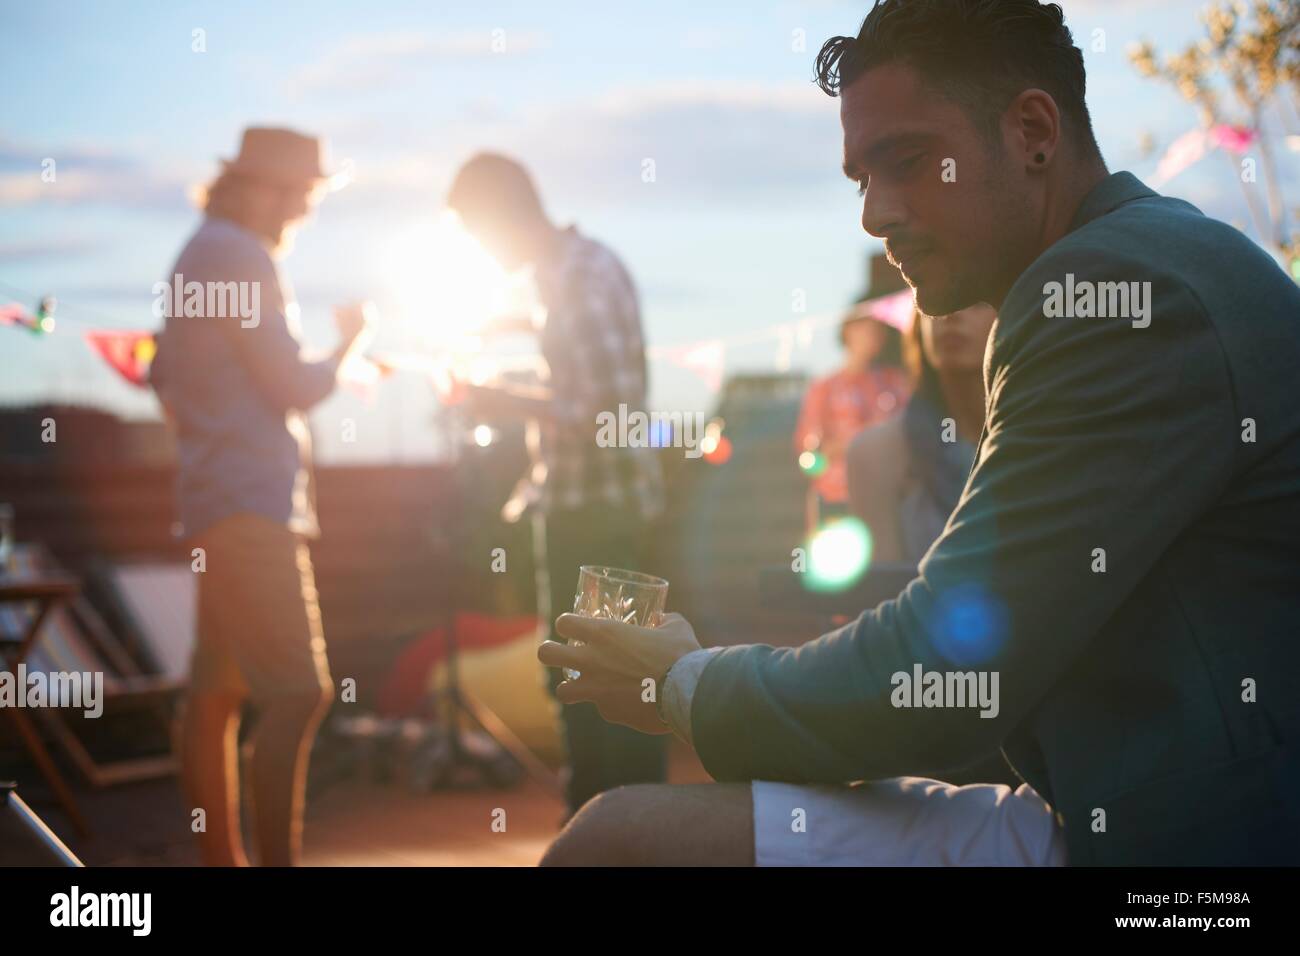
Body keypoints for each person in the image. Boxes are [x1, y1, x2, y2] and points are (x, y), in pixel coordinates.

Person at [536, 0, 1300, 866]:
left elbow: (946, 681)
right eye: (860, 176)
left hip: (1204, 847)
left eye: (904, 161)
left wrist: (682, 682)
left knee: (616, 844)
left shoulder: (1113, 290)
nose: (873, 212)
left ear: (1033, 131)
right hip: (1128, 801)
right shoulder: (1151, 259)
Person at [150, 127, 374, 866]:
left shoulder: (197, 252)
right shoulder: (241, 255)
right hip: (252, 506)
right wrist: (348, 342)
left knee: (217, 692)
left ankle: (222, 859)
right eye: (300, 196)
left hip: (213, 501)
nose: (301, 214)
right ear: (262, 188)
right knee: (298, 693)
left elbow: (164, 380)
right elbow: (294, 386)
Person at [443, 153, 667, 820]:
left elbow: (606, 414)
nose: (480, 252)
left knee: (608, 691)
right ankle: (611, 834)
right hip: (582, 506)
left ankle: (623, 839)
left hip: (601, 513)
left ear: (503, 215)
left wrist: (503, 403)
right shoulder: (563, 276)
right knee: (590, 685)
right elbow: (580, 399)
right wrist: (506, 396)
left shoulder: (584, 278)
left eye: (476, 234)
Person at [847, 303, 994, 565]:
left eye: (976, 302)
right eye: (935, 299)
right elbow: (882, 590)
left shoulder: (1046, 439)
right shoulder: (876, 452)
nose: (951, 313)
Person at [793, 290, 909, 532]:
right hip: (837, 500)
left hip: (888, 499)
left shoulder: (895, 383)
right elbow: (809, 456)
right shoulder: (824, 389)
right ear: (849, 330)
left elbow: (911, 434)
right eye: (867, 328)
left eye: (879, 330)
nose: (874, 336)